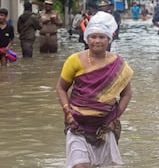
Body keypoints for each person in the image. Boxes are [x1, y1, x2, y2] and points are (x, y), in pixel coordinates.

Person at [56, 11, 133, 168]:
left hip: (105, 126)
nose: (97, 41)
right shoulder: (74, 60)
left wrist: (115, 116)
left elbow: (127, 94)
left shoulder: (118, 64)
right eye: (93, 36)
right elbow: (61, 88)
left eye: (102, 37)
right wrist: (68, 113)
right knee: (80, 165)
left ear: (109, 39)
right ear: (87, 38)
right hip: (77, 123)